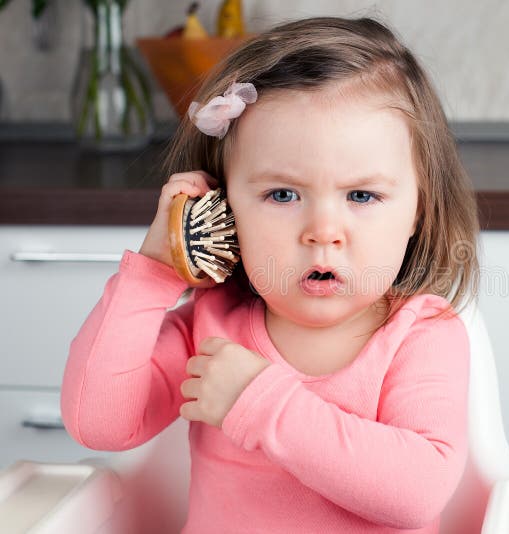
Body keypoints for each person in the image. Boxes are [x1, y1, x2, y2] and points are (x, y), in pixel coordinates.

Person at [61, 15, 481, 534]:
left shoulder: (421, 337)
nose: (323, 231)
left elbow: (416, 492)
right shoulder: (209, 326)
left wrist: (260, 404)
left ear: (419, 209)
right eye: (282, 195)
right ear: (223, 205)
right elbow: (98, 422)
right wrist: (154, 273)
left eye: (361, 196)